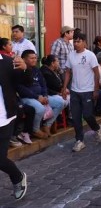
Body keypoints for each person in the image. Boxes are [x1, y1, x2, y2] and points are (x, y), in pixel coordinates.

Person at [62, 33, 101, 152]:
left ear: (84, 42)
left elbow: (96, 73)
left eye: (78, 41)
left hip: (88, 90)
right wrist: (64, 87)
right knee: (75, 117)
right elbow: (68, 72)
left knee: (87, 115)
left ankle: (96, 127)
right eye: (74, 41)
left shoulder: (90, 55)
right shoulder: (71, 55)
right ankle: (79, 140)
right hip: (75, 90)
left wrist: (96, 90)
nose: (76, 43)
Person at [0, 50, 29, 200]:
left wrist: (24, 68)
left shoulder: (8, 62)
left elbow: (25, 82)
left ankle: (17, 177)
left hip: (3, 118)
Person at [17, 50, 64, 139]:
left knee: (60, 102)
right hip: (27, 98)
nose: (34, 60)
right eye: (31, 58)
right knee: (40, 108)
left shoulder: (36, 70)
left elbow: (43, 84)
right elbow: (21, 89)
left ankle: (47, 125)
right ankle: (35, 130)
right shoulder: (19, 71)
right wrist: (37, 97)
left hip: (41, 97)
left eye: (35, 58)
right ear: (24, 59)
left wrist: (45, 95)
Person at [41, 55, 70, 133]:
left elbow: (60, 83)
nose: (58, 63)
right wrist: (59, 92)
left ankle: (64, 119)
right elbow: (52, 87)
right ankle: (48, 124)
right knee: (61, 102)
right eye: (57, 61)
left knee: (70, 98)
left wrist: (63, 90)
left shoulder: (54, 71)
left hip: (54, 93)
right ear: (52, 63)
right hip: (47, 95)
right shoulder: (45, 72)